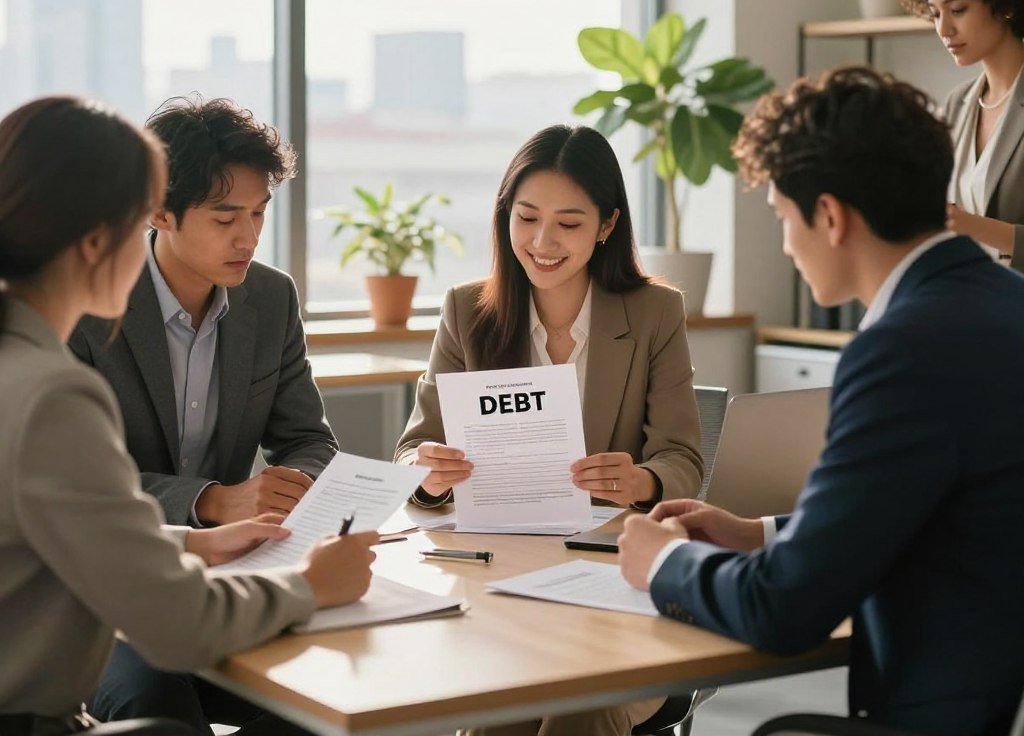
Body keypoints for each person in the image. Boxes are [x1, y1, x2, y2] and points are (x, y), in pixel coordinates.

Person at [619, 67, 1024, 736]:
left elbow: (784, 609)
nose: (785, 243)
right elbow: (953, 502)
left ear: (831, 216)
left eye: (782, 216)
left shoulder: (902, 348)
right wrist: (768, 534)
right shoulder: (1002, 305)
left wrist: (661, 561)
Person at [0, 96, 377, 735]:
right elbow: (177, 626)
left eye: (258, 215)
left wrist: (195, 542)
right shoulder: (52, 394)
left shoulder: (18, 361)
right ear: (105, 237)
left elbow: (58, 524)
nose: (249, 235)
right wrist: (312, 585)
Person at [395, 123, 704, 736]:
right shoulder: (466, 311)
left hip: (615, 584)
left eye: (569, 223)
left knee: (581, 699)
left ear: (607, 226)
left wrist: (642, 479)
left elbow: (684, 460)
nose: (542, 241)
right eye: (526, 217)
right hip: (499, 580)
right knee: (496, 705)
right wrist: (429, 475)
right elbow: (410, 451)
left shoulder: (654, 313)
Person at [69, 95, 338, 526]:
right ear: (160, 212)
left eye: (258, 214)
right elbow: (73, 476)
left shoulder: (272, 296)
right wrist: (209, 502)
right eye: (225, 220)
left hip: (237, 550)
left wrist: (291, 486)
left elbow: (308, 439)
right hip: (112, 551)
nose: (248, 239)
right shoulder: (85, 305)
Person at [901, 0, 1024, 269]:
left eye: (958, 10)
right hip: (974, 305)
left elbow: (964, 223)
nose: (944, 29)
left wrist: (972, 226)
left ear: (1004, 3)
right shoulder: (957, 105)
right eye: (935, 14)